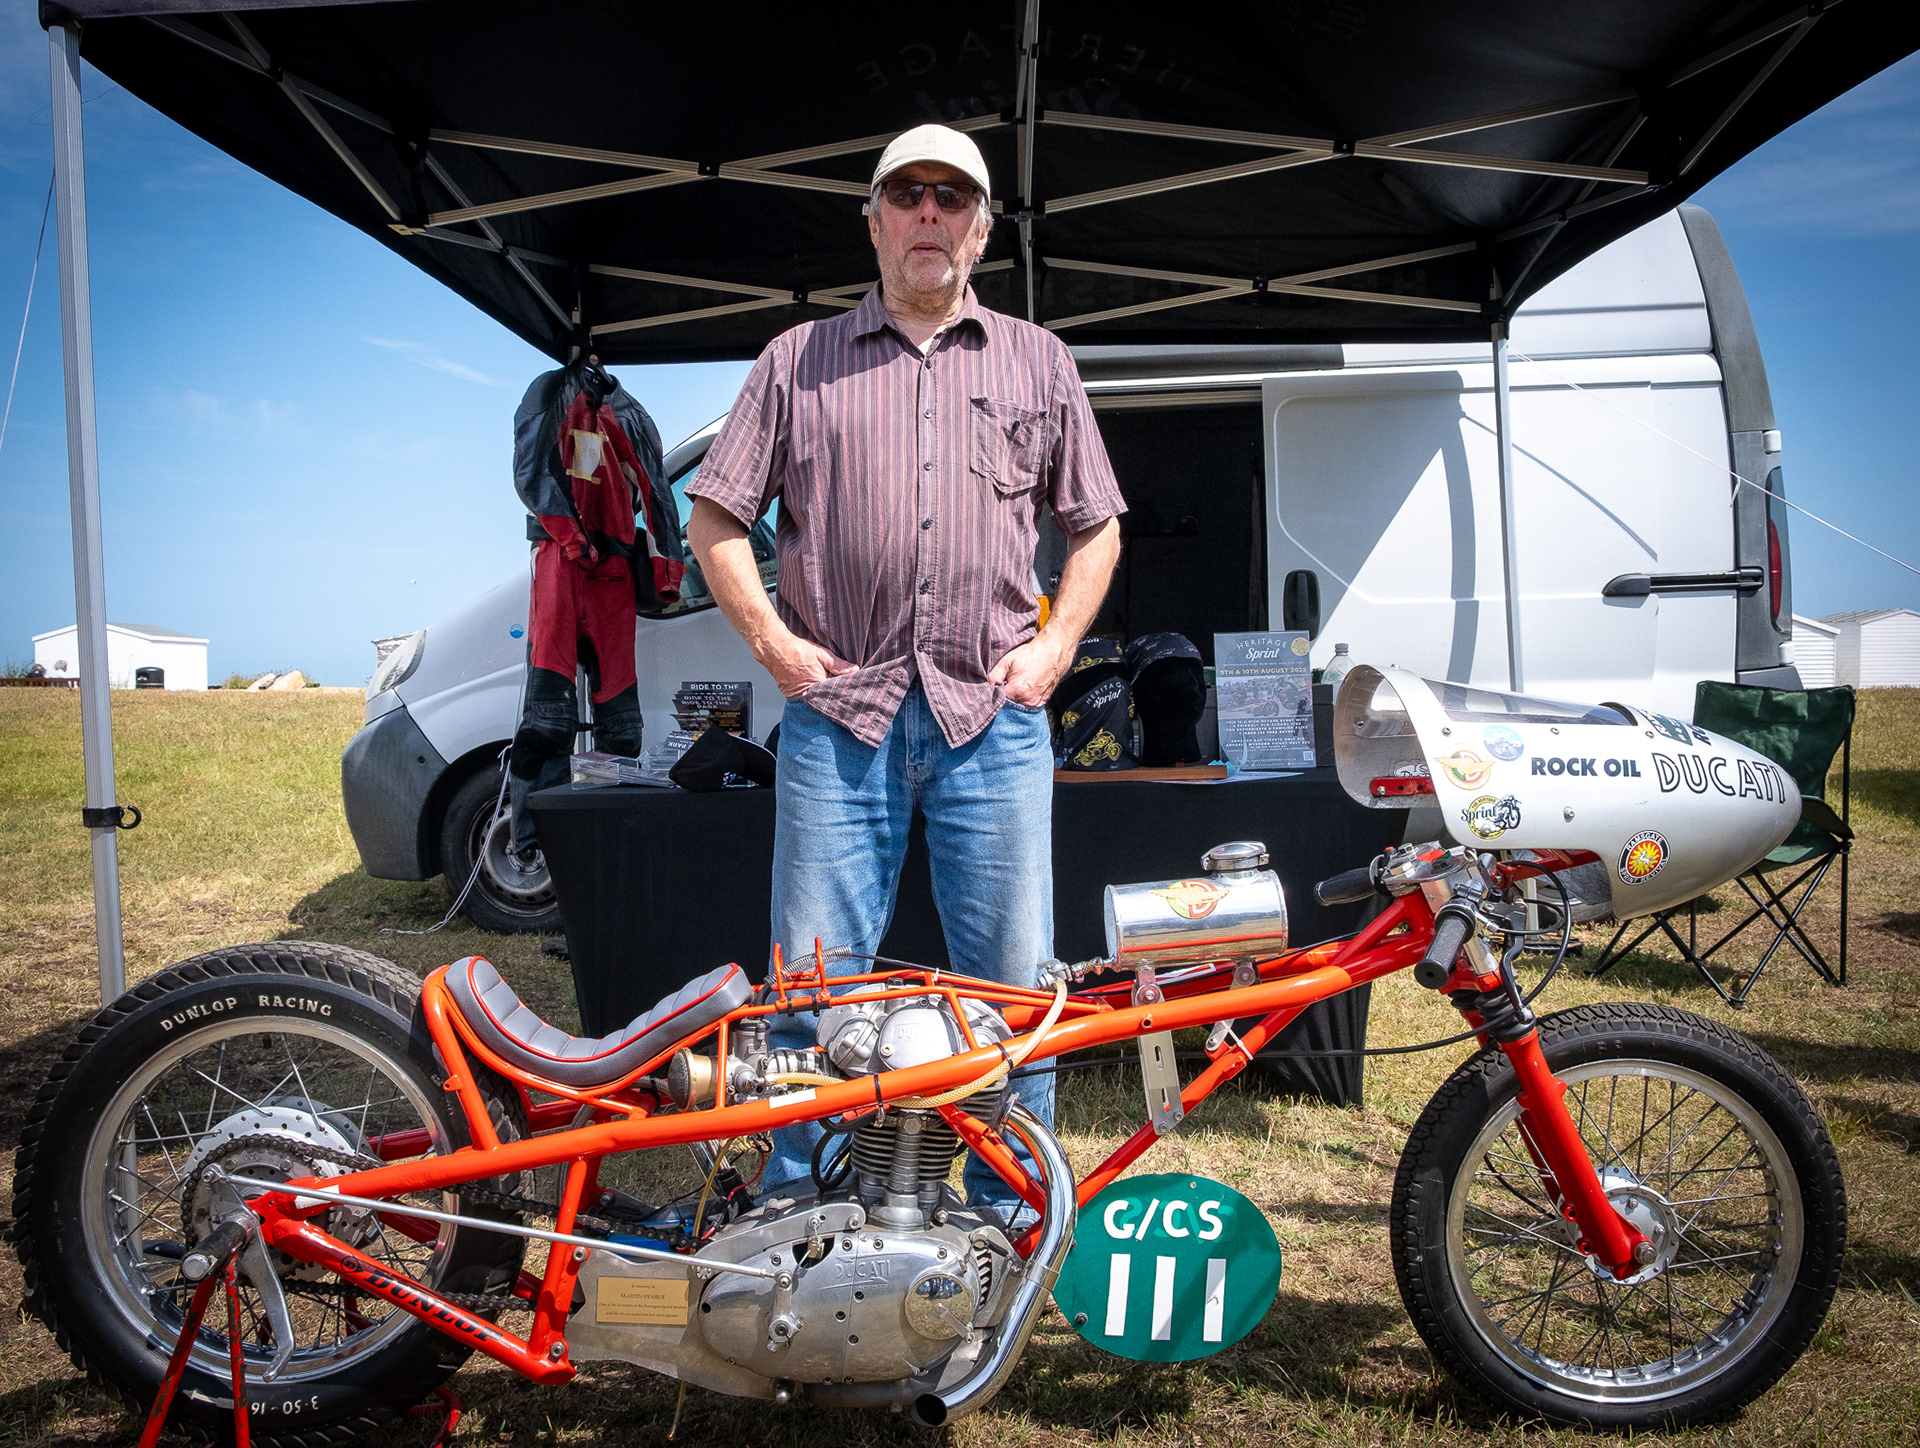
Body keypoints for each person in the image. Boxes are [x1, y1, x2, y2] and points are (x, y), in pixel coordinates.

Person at [686, 123, 1125, 1219]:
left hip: (994, 715)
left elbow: (1098, 527)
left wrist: (1057, 645)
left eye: (952, 197)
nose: (929, 213)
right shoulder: (798, 360)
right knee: (810, 994)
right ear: (875, 218)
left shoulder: (1041, 360)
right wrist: (777, 646)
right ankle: (803, 1214)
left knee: (1017, 993)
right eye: (907, 194)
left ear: (982, 229)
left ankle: (1015, 1215)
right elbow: (714, 519)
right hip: (844, 716)